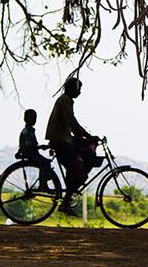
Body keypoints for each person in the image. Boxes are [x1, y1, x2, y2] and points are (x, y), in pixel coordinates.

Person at [45, 77, 99, 217]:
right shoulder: (65, 101)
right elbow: (72, 122)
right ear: (71, 89)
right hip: (61, 141)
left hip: (64, 139)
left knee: (75, 167)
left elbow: (71, 125)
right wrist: (88, 135)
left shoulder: (66, 100)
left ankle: (70, 194)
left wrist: (85, 137)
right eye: (78, 89)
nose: (79, 92)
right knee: (77, 168)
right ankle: (66, 201)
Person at [16, 108, 53, 191]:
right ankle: (43, 184)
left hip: (33, 153)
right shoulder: (26, 132)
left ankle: (43, 183)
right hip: (30, 154)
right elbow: (29, 146)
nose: (34, 120)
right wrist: (41, 147)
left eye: (35, 118)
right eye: (31, 118)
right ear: (25, 119)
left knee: (44, 163)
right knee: (46, 163)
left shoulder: (30, 130)